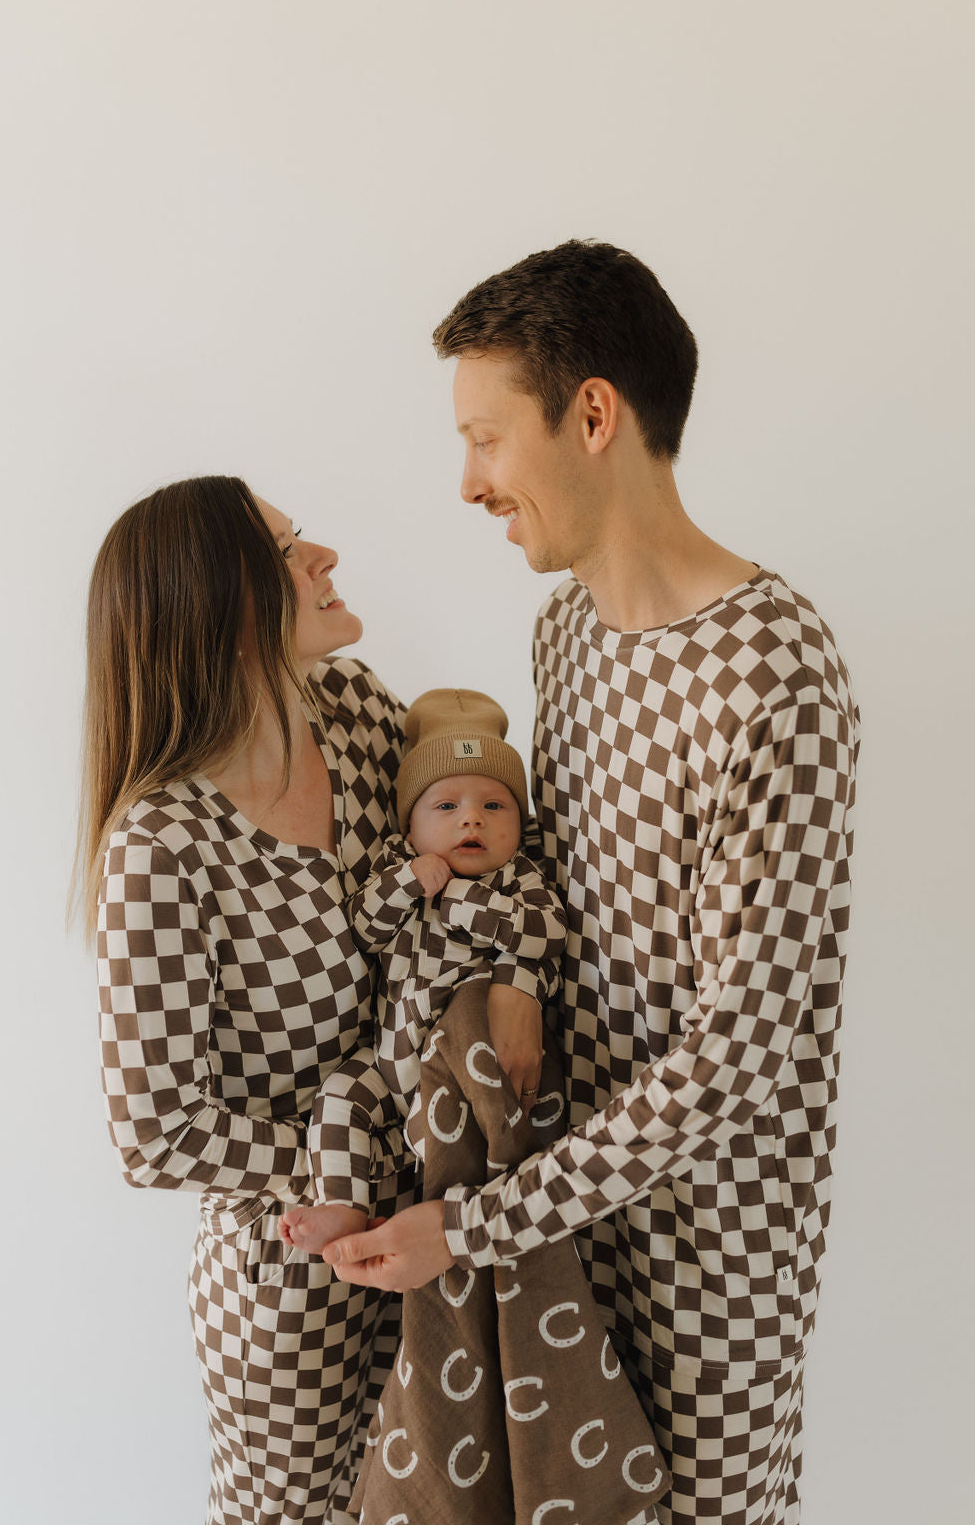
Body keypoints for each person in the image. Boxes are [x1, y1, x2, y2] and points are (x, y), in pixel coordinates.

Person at [322, 241, 860, 1525]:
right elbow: (547, 900)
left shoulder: (774, 671)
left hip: (707, 1267)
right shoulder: (563, 631)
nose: (467, 483)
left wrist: (474, 1225)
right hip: (548, 1221)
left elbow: (738, 1052)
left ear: (594, 413)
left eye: (485, 437)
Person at [79, 476, 543, 1525]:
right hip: (293, 1282)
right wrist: (353, 1159)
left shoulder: (357, 714)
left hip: (442, 1228)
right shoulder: (163, 847)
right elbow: (154, 1134)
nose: (324, 553)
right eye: (289, 549)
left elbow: (481, 866)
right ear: (223, 603)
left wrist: (521, 981)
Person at [281, 686, 567, 1254]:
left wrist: (462, 900)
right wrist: (409, 881)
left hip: (457, 1059)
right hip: (389, 1054)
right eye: (446, 807)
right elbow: (363, 929)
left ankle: (474, 1227)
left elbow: (547, 934)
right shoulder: (397, 866)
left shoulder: (517, 879)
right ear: (409, 827)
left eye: (494, 805)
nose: (472, 821)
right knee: (339, 1098)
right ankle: (341, 1202)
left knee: (469, 1142)